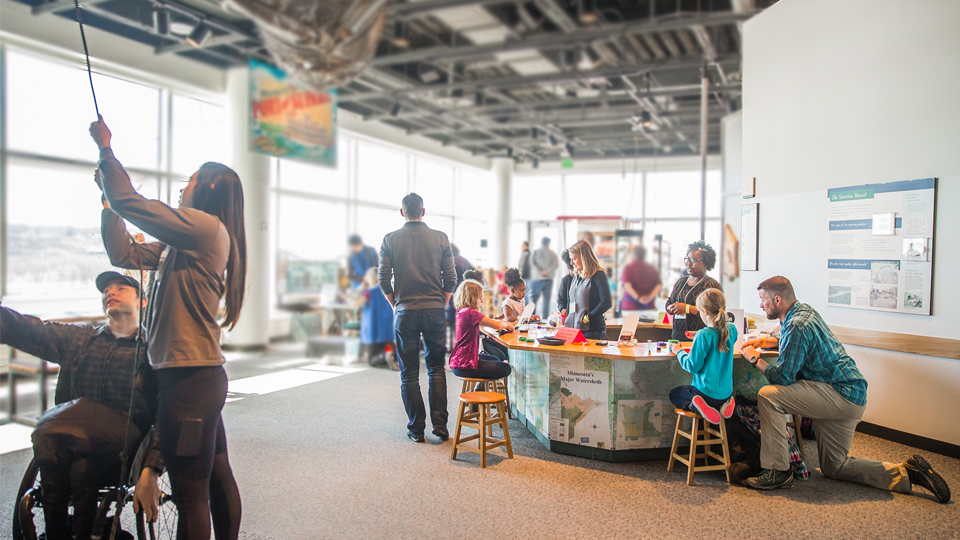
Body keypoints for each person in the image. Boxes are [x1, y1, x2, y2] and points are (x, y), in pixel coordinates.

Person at [91, 117, 244, 539]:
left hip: (189, 381)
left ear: (208, 189)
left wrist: (106, 150)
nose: (183, 186)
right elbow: (123, 252)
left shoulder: (204, 229)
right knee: (214, 475)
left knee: (193, 495)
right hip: (195, 378)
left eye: (190, 180)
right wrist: (109, 204)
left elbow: (131, 201)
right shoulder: (188, 239)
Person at [739, 277, 950, 503]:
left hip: (837, 393)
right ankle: (908, 472)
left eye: (763, 300)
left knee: (769, 396)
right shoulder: (805, 312)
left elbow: (783, 377)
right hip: (852, 393)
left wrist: (754, 358)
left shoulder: (796, 325)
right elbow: (790, 340)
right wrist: (766, 342)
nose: (761, 305)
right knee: (834, 467)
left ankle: (778, 471)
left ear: (777, 300)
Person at [1, 271, 161, 539]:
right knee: (80, 467)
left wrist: (152, 469)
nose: (110, 292)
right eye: (106, 290)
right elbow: (29, 329)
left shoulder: (153, 351)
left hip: (124, 449)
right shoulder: (80, 340)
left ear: (142, 302)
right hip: (74, 446)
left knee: (57, 430)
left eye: (120, 287)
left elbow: (167, 414)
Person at [378, 193, 457, 443]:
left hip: (405, 312)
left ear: (403, 212)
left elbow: (383, 279)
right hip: (434, 309)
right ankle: (441, 426)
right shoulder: (441, 238)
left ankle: (416, 429)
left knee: (409, 373)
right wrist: (441, 302)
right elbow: (451, 278)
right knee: (436, 369)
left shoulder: (390, 239)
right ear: (423, 211)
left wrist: (395, 304)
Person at [668, 288, 736, 424]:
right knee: (718, 397)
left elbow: (692, 366)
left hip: (705, 393)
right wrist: (698, 335)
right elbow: (718, 335)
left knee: (674, 394)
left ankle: (698, 407)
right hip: (725, 393)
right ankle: (724, 404)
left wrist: (678, 351)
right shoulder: (731, 329)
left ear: (704, 311)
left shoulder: (703, 335)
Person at [449, 280, 514, 380]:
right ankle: (483, 389)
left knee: (496, 358)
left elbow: (487, 321)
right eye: (480, 298)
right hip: (465, 365)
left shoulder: (461, 311)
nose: (482, 301)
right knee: (506, 368)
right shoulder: (471, 313)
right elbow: (497, 325)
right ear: (473, 298)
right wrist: (509, 325)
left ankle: (480, 387)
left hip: (458, 361)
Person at [666, 240, 722, 341]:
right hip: (677, 336)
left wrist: (687, 308)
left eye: (694, 260)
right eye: (687, 259)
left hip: (700, 338)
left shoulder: (711, 285)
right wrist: (672, 308)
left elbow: (714, 313)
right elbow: (669, 302)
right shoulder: (681, 282)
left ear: (706, 262)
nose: (689, 263)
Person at [561, 240, 612, 340]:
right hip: (574, 330)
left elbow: (606, 302)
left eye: (574, 259)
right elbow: (571, 301)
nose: (572, 263)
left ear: (584, 258)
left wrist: (588, 317)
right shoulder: (577, 276)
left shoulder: (598, 275)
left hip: (592, 330)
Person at [356, 267, 398, 370]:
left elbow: (356, 304)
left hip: (373, 331)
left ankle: (384, 358)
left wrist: (361, 288)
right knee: (385, 348)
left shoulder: (369, 292)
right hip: (387, 329)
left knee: (372, 361)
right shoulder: (388, 291)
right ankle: (392, 356)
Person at [620, 245, 662, 311]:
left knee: (630, 321)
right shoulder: (651, 268)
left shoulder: (628, 268)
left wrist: (638, 298)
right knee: (648, 321)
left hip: (631, 306)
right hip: (648, 306)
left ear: (633, 254)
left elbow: (628, 286)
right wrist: (650, 298)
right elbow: (659, 285)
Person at [528, 237, 559, 316]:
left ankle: (531, 317)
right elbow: (555, 265)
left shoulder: (535, 252)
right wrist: (547, 271)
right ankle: (545, 320)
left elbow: (532, 263)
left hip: (537, 278)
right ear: (548, 243)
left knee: (533, 299)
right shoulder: (552, 253)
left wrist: (540, 272)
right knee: (546, 300)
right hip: (548, 279)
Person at [555, 249, 575, 317]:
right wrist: (563, 309)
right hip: (569, 317)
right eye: (571, 270)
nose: (573, 273)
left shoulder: (586, 279)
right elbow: (561, 300)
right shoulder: (566, 280)